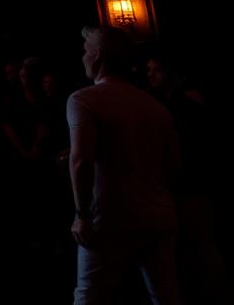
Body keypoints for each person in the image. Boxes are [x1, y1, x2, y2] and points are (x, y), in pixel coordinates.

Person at [69, 27, 181, 305]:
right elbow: (173, 165)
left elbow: (81, 159)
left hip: (109, 217)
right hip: (158, 215)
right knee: (165, 296)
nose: (82, 57)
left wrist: (82, 213)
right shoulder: (155, 106)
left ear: (97, 56)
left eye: (85, 51)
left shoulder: (83, 100)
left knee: (89, 295)